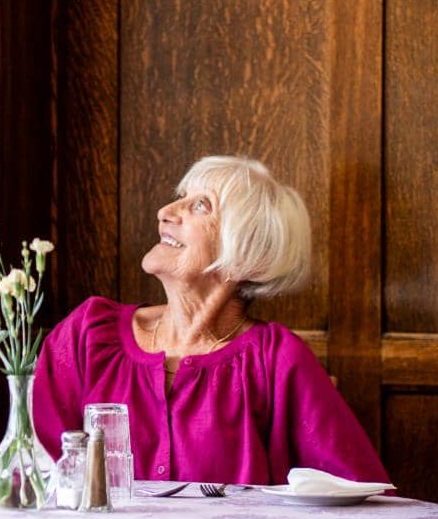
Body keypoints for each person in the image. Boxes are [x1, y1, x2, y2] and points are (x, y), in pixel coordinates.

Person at [32, 155, 389, 486]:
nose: (165, 212)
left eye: (200, 205)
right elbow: (39, 472)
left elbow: (358, 492)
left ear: (247, 251)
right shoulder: (89, 334)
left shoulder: (276, 361)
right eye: (180, 197)